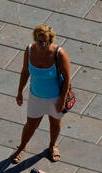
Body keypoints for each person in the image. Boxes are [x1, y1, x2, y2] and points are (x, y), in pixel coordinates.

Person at [11, 24, 71, 164]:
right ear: (35, 39)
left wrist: (62, 100)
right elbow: (25, 71)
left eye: (46, 42)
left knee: (55, 123)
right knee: (30, 125)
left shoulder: (59, 53)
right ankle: (21, 147)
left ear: (51, 41)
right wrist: (19, 92)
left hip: (55, 97)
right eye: (40, 41)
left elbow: (67, 78)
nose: (43, 44)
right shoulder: (30, 50)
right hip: (35, 96)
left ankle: (52, 146)